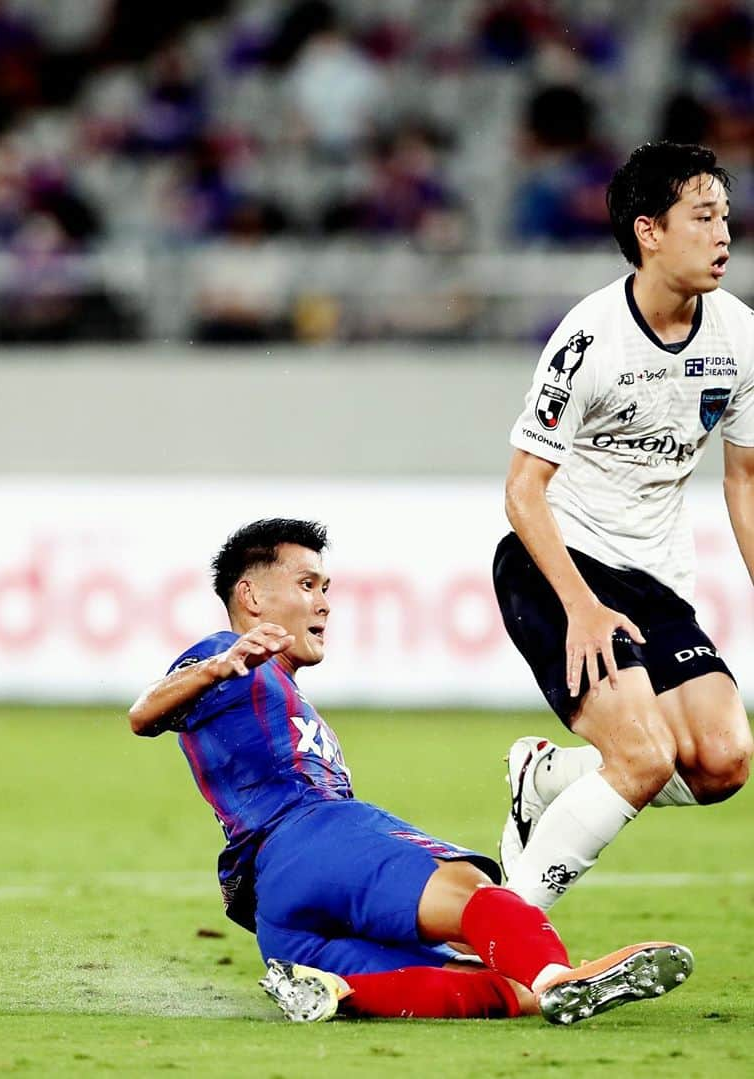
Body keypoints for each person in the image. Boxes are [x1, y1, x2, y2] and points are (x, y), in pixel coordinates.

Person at [129, 518, 694, 1023]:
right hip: (311, 838)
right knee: (474, 894)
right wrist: (216, 666)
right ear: (250, 595)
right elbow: (145, 713)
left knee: (501, 991)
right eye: (308, 585)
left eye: (326, 588)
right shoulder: (227, 657)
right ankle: (559, 976)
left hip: (279, 913)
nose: (324, 603)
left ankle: (331, 989)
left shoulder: (272, 689)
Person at [494, 141, 754, 911]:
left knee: (722, 761)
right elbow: (522, 491)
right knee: (642, 757)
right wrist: (580, 605)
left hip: (654, 580)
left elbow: (743, 478)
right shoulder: (588, 340)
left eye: (726, 217)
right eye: (703, 217)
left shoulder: (739, 336)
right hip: (558, 562)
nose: (724, 235)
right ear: (649, 231)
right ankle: (505, 925)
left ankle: (544, 778)